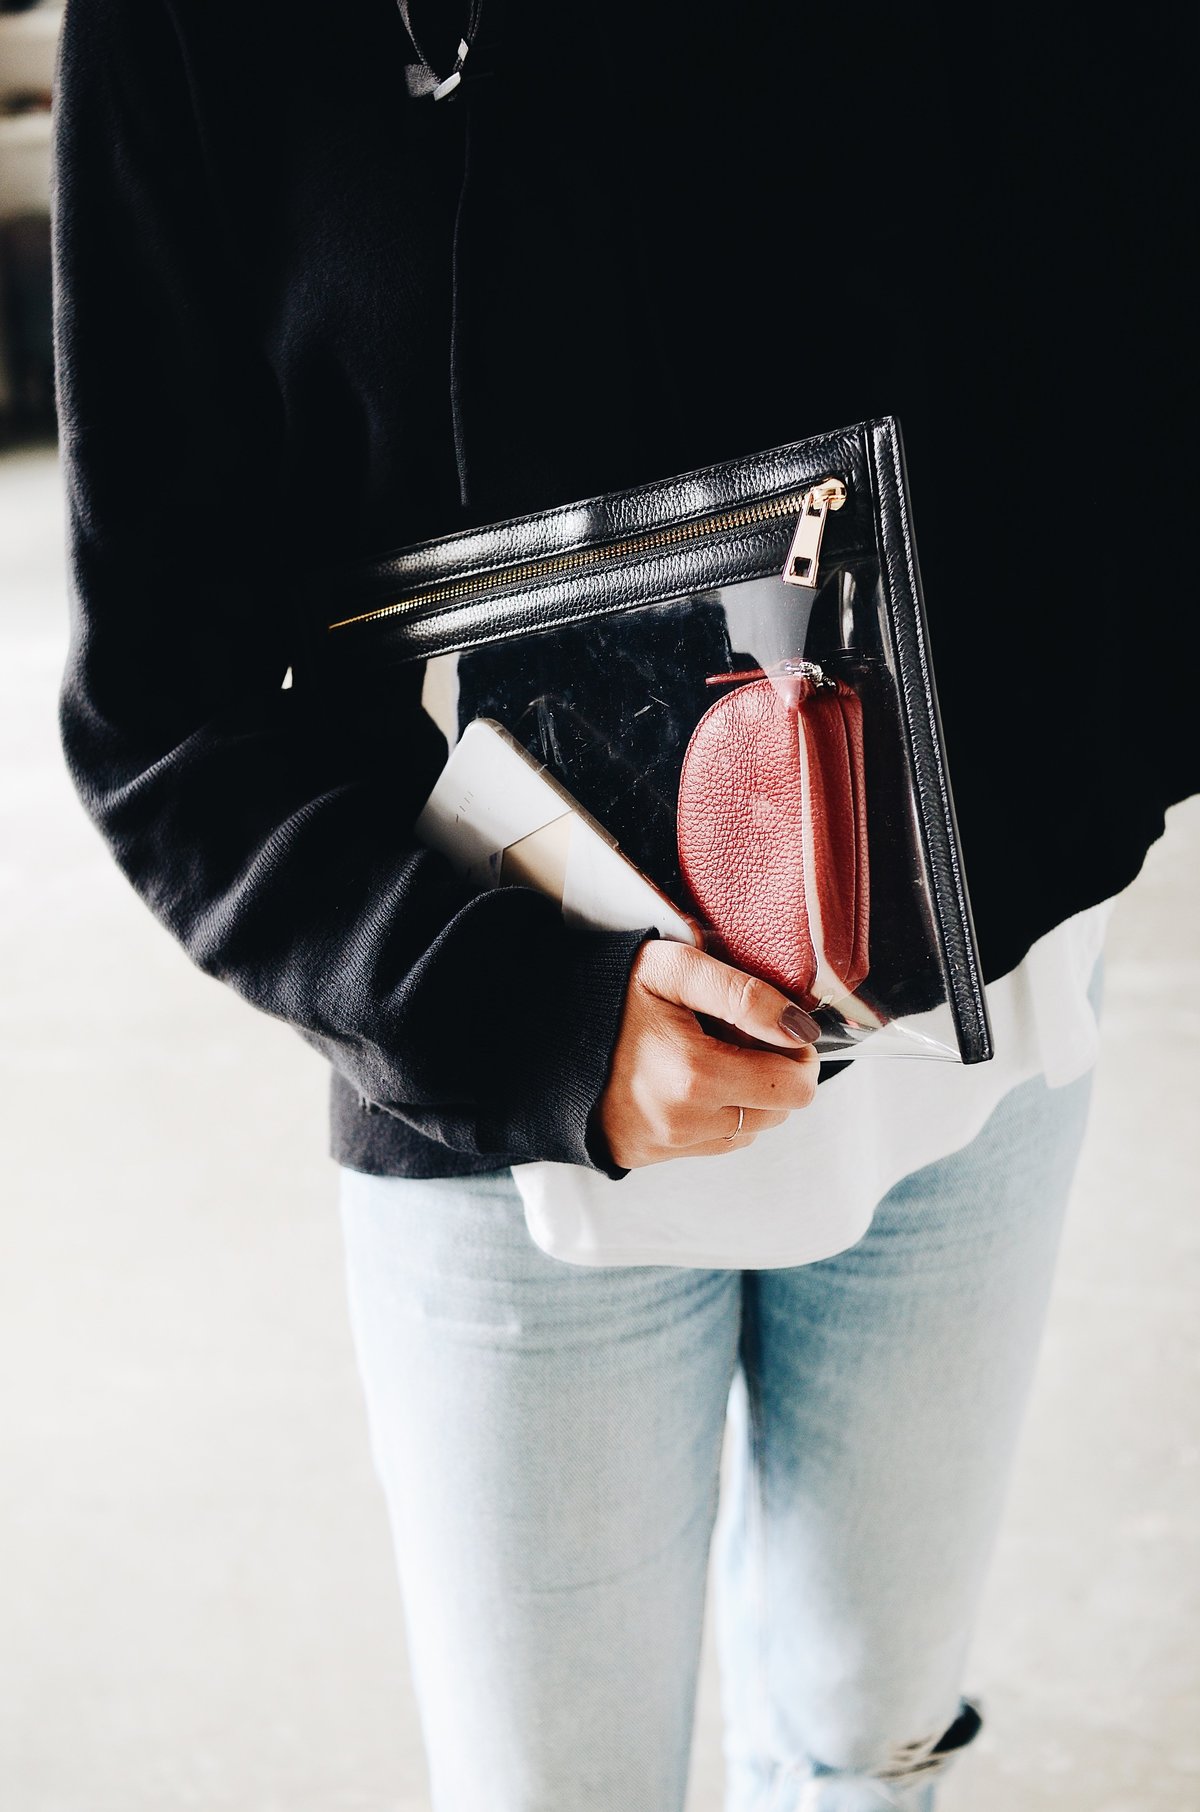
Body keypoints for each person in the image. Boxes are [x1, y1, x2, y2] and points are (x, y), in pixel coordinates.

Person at [51, 3, 1195, 1807]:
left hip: (972, 1010)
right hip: (495, 1086)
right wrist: (507, 1014)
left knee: (865, 1747)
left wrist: (1042, 795)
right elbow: (162, 712)